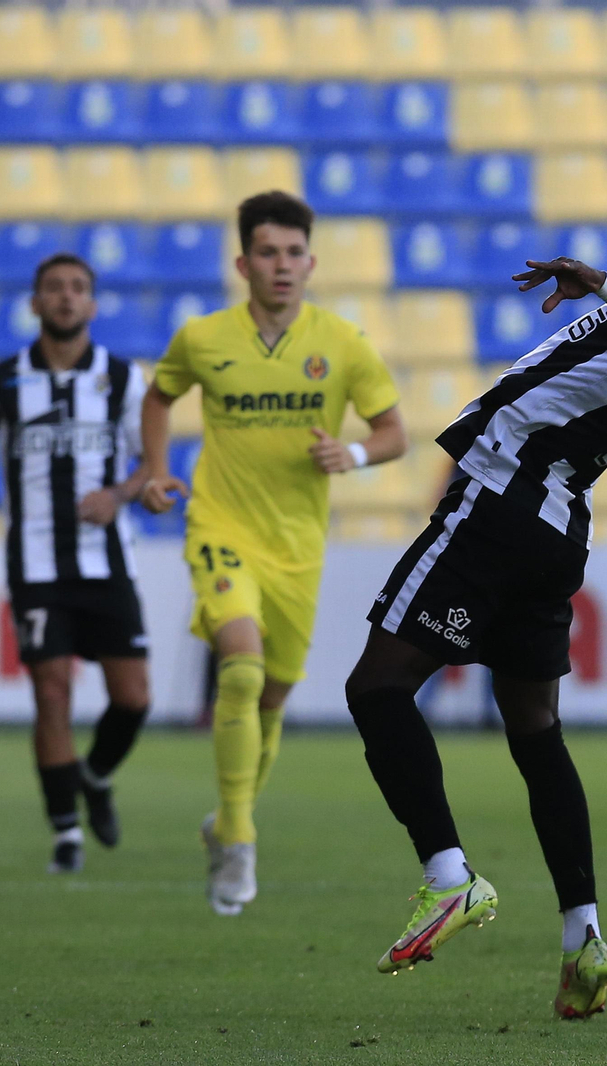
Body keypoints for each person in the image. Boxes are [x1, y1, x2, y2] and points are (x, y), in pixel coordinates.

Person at [344, 132, 607, 1020]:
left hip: (499, 500)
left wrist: (605, 281)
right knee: (535, 730)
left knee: (376, 689)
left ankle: (448, 876)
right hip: (554, 526)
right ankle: (584, 936)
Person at [140, 192, 407, 914]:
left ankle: (228, 817)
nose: (281, 265)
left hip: (297, 546)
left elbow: (393, 432)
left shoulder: (341, 342)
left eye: (293, 253)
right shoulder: (203, 338)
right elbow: (159, 398)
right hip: (220, 527)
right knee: (241, 667)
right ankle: (238, 837)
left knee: (273, 695)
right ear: (243, 264)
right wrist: (155, 470)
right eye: (267, 253)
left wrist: (352, 453)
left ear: (311, 263)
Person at [0, 253, 152, 873]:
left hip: (107, 562)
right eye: (54, 288)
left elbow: (151, 460)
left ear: (92, 304)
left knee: (133, 698)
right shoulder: (2, 378)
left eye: (77, 288)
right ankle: (66, 834)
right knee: (51, 692)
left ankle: (95, 775)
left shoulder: (123, 378)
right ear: (34, 303)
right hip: (35, 564)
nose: (65, 297)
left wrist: (118, 495)